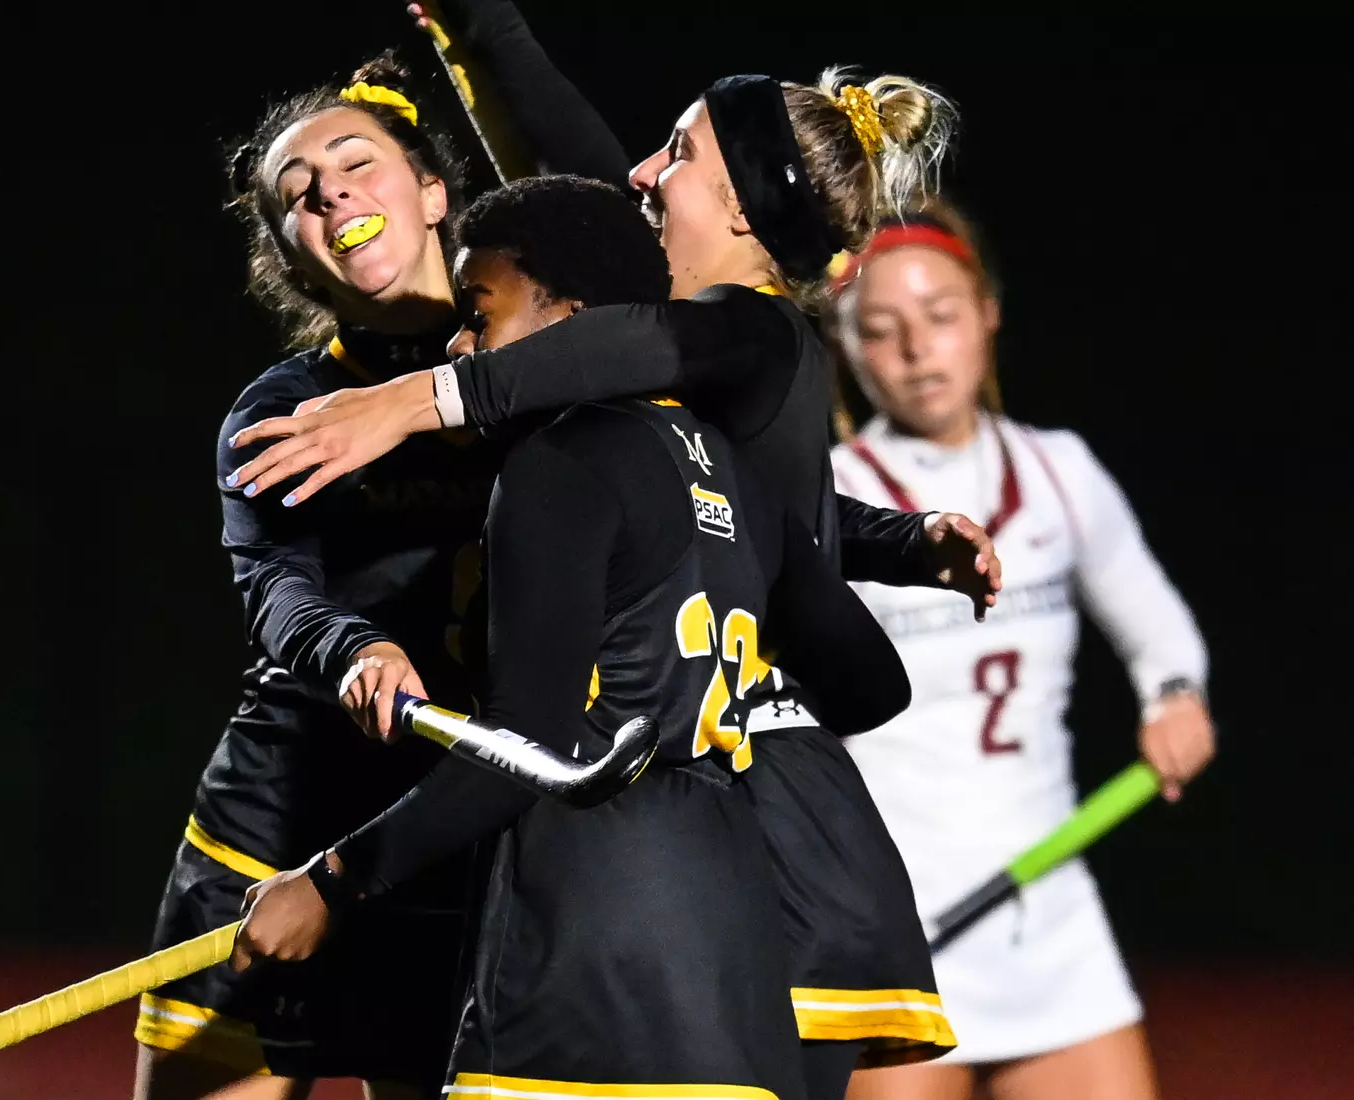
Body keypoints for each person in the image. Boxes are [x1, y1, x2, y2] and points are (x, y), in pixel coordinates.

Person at [225, 19, 986, 1094]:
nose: (640, 168)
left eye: (675, 155)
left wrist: (413, 399)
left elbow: (604, 323)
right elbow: (577, 209)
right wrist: (479, 32)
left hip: (732, 815)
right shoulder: (687, 401)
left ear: (738, 208)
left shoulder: (742, 337)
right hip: (728, 801)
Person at [133, 55, 488, 1100]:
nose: (328, 190)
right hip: (282, 810)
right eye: (297, 193)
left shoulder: (545, 374)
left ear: (432, 193)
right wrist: (354, 644)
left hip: (447, 834)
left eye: (354, 162)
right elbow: (276, 583)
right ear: (290, 256)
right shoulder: (279, 404)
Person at [823, 202, 1216, 1100]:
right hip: (898, 922)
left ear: (988, 312)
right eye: (881, 330)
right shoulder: (825, 495)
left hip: (1048, 912)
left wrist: (1175, 696)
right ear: (848, 344)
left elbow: (1161, 634)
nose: (918, 350)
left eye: (942, 316)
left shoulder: (1058, 471)